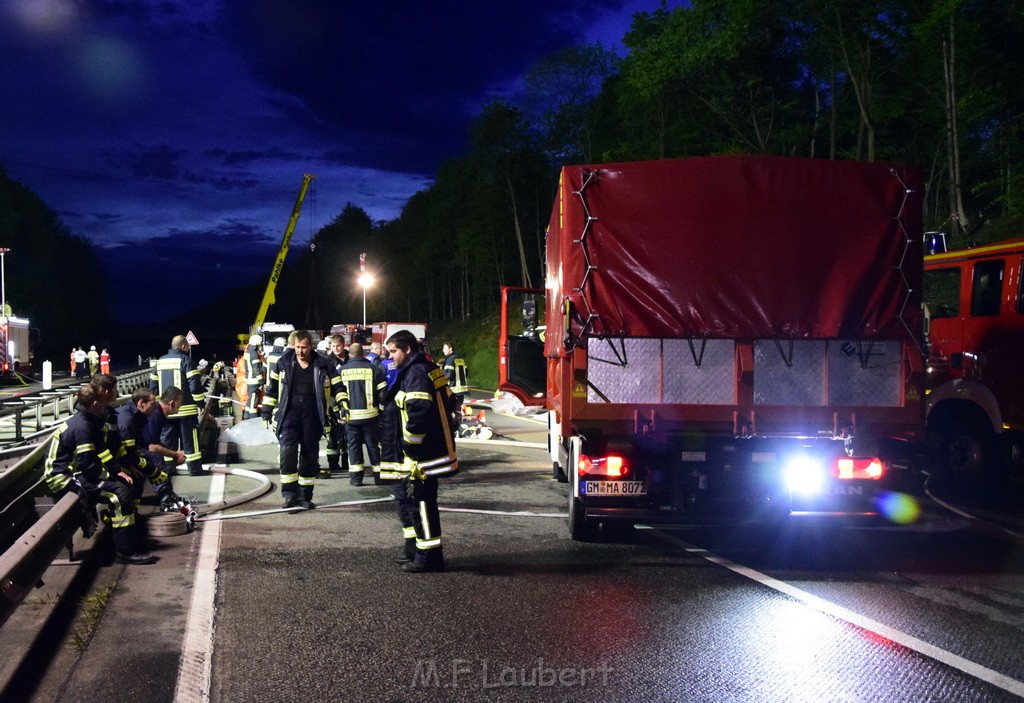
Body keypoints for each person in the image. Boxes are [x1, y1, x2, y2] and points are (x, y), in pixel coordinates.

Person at [43, 382, 156, 564]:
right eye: (103, 404)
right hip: (63, 477)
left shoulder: (90, 421)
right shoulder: (82, 427)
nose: (106, 408)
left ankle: (125, 536)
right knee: (119, 494)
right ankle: (125, 552)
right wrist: (110, 477)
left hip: (76, 471)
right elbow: (88, 463)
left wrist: (118, 471)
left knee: (124, 485)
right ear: (95, 404)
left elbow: (102, 451)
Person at [385, 329, 458, 573]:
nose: (391, 357)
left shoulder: (415, 373)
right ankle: (419, 551)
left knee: (423, 504)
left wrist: (409, 444)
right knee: (419, 502)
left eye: (394, 352)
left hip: (422, 454)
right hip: (430, 450)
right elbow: (451, 398)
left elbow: (419, 411)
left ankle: (428, 558)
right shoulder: (428, 368)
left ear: (407, 349)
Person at [262, 330, 344, 510]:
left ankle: (305, 496)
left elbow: (338, 386)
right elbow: (272, 388)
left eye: (304, 348)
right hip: (289, 413)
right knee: (287, 453)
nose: (300, 351)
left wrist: (343, 404)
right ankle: (290, 496)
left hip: (312, 414)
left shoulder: (323, 364)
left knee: (309, 456)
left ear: (311, 347)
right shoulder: (284, 362)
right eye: (297, 347)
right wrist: (267, 410)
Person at [116, 386, 183, 511]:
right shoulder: (151, 415)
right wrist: (174, 455)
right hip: (124, 455)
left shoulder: (144, 414)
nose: (155, 406)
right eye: (152, 404)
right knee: (156, 461)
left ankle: (166, 495)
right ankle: (165, 496)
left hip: (131, 451)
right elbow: (152, 447)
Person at [150, 334, 207, 476]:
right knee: (190, 441)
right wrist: (200, 403)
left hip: (167, 411)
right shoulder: (186, 360)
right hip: (186, 410)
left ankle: (169, 469)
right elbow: (194, 384)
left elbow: (153, 386)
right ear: (183, 346)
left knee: (167, 441)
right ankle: (194, 469)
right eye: (188, 346)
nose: (188, 349)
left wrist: (158, 406)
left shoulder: (160, 362)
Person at [340, 342, 387, 486]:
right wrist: (381, 410)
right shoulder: (374, 369)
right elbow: (383, 393)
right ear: (363, 354)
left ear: (349, 354)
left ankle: (356, 479)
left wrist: (340, 412)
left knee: (353, 446)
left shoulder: (342, 370)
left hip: (351, 417)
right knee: (373, 446)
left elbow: (336, 393)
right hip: (370, 416)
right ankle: (379, 477)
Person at [142, 386, 188, 469]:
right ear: (172, 404)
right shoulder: (156, 414)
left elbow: (155, 441)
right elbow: (153, 447)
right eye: (178, 406)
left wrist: (175, 453)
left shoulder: (158, 413)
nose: (179, 409)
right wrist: (176, 454)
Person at [323, 334, 350, 478]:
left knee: (347, 435)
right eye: (333, 346)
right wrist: (334, 406)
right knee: (332, 435)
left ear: (343, 345)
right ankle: (333, 464)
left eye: (338, 346)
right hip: (333, 403)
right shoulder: (328, 361)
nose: (336, 349)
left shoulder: (350, 360)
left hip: (348, 401)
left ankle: (346, 462)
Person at [441, 342, 469, 423]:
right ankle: (458, 426)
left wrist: (441, 382)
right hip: (462, 389)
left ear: (450, 349)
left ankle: (452, 429)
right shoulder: (460, 358)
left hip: (453, 389)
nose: (443, 350)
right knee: (458, 410)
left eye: (445, 348)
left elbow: (449, 374)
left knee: (449, 410)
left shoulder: (450, 359)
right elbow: (466, 372)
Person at [242, 334, 264, 420]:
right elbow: (256, 369)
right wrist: (261, 381)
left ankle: (246, 416)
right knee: (253, 401)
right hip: (254, 380)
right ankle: (252, 419)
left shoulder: (248, 352)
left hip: (249, 379)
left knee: (250, 398)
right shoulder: (254, 354)